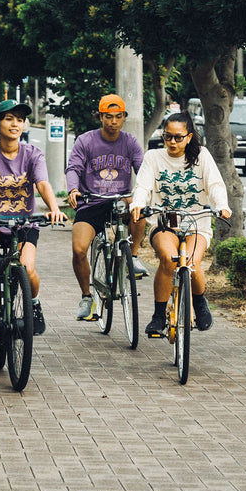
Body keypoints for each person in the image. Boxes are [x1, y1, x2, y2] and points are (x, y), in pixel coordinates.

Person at [0, 99, 66, 337]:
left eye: (20, 120)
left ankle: (35, 305)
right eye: (9, 119)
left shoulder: (33, 154)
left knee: (27, 269)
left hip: (24, 224)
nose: (15, 124)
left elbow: (42, 183)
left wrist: (53, 208)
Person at [129, 110, 231, 337]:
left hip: (197, 222)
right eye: (167, 136)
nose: (172, 142)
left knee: (192, 263)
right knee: (168, 259)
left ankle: (200, 301)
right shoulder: (153, 157)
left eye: (178, 137)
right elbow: (143, 186)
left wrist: (222, 205)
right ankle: (158, 316)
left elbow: (215, 184)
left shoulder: (202, 156)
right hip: (165, 222)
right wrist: (137, 204)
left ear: (189, 137)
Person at [65, 94, 148, 323]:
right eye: (108, 117)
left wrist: (147, 191)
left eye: (118, 117)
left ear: (124, 118)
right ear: (101, 117)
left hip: (120, 199)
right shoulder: (86, 141)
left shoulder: (130, 142)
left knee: (138, 206)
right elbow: (73, 168)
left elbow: (142, 169)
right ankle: (86, 296)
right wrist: (73, 190)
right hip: (91, 200)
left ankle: (134, 255)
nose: (113, 122)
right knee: (79, 249)